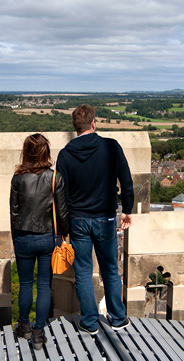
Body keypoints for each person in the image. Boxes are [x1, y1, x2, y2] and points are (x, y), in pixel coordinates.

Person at [56, 104, 133, 334]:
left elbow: (60, 194)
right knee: (110, 269)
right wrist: (127, 210)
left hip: (78, 220)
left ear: (74, 126)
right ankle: (118, 318)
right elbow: (126, 180)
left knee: (82, 271)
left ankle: (89, 322)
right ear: (93, 123)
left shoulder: (65, 154)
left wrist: (63, 225)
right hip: (105, 219)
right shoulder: (110, 146)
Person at [10, 133, 68, 349]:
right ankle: (38, 333)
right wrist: (64, 234)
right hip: (47, 237)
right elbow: (62, 213)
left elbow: (13, 213)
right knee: (44, 285)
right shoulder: (55, 178)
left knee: (25, 284)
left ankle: (24, 326)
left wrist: (15, 238)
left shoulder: (18, 178)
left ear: (26, 152)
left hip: (23, 237)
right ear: (46, 152)